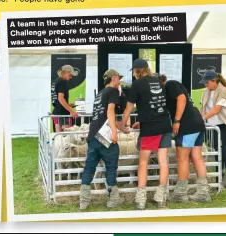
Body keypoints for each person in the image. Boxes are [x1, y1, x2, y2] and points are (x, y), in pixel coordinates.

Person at [119, 58, 172, 210]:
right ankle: (161, 197)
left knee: (143, 162)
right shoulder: (159, 82)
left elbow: (128, 109)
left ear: (137, 71)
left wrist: (122, 126)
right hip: (164, 125)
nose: (134, 75)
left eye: (134, 72)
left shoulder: (136, 85)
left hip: (150, 129)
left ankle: (141, 199)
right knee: (163, 162)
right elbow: (157, 105)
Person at [153, 74, 211, 202]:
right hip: (197, 124)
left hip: (187, 126)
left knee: (182, 158)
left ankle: (181, 193)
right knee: (197, 157)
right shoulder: (165, 93)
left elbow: (182, 98)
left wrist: (177, 120)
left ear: (162, 81)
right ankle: (203, 193)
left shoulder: (170, 84)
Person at [80, 69, 124, 210]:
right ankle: (113, 200)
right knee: (111, 167)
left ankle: (84, 200)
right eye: (119, 79)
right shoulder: (112, 91)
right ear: (114, 78)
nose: (120, 82)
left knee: (89, 167)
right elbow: (110, 111)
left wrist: (120, 126)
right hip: (104, 136)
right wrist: (114, 131)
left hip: (93, 135)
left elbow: (101, 117)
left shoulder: (99, 94)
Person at [199, 71, 226, 188]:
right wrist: (200, 118)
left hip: (225, 125)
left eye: (207, 82)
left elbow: (217, 109)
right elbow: (203, 108)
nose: (206, 85)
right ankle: (218, 176)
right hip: (213, 126)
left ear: (215, 81)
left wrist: (203, 119)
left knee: (223, 149)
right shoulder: (206, 92)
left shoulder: (223, 92)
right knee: (215, 149)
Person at [51, 65, 79, 132]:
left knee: (58, 137)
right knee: (67, 136)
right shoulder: (62, 81)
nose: (71, 77)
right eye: (71, 74)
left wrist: (67, 104)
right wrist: (71, 111)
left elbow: (57, 99)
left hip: (57, 112)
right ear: (66, 72)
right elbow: (60, 98)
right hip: (62, 113)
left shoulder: (57, 81)